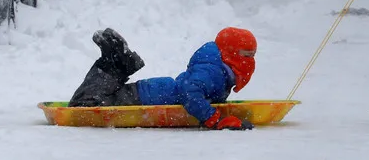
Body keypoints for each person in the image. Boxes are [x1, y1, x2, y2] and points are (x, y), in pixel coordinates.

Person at [69, 27, 257, 131]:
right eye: (246, 55)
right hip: (148, 98)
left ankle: (117, 62)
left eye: (253, 55)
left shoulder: (217, 68)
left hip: (155, 93)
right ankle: (113, 62)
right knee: (83, 108)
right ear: (230, 52)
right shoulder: (213, 70)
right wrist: (214, 120)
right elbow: (189, 92)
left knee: (94, 102)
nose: (250, 61)